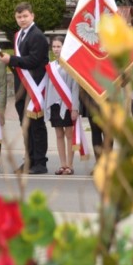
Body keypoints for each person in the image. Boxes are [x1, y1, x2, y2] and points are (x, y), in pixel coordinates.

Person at [0, 2, 50, 174]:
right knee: (25, 126)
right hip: (22, 86)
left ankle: (40, 163)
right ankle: (29, 160)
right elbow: (20, 64)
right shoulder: (19, 35)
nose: (22, 19)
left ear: (32, 16)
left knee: (36, 126)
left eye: (25, 16)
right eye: (19, 17)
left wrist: (11, 60)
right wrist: (10, 61)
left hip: (35, 86)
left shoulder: (37, 36)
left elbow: (34, 61)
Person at [45, 36, 79, 175]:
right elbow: (48, 87)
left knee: (69, 134)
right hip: (54, 104)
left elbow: (75, 87)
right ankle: (62, 164)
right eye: (54, 47)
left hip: (68, 104)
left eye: (59, 46)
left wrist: (75, 108)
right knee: (59, 134)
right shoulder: (51, 66)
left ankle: (70, 165)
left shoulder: (71, 65)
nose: (56, 49)